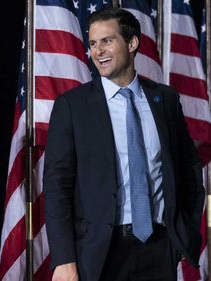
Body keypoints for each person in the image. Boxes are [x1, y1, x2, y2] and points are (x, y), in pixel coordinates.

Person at [43, 7, 204, 281]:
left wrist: (180, 236)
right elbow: (57, 185)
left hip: (159, 248)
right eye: (93, 43)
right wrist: (64, 259)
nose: (98, 51)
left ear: (131, 43)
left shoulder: (164, 99)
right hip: (99, 254)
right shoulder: (73, 106)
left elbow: (189, 170)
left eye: (107, 40)